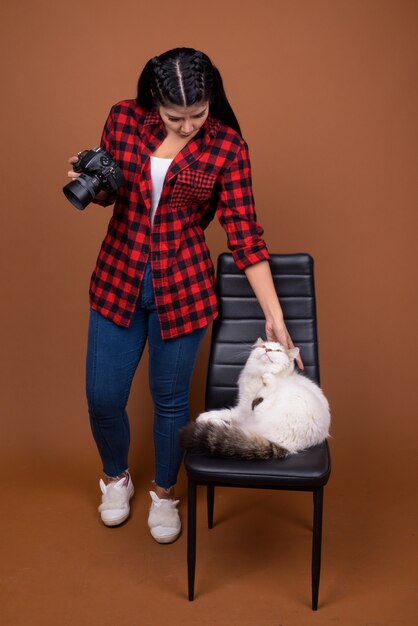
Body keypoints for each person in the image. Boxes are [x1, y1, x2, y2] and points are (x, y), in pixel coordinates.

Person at [67, 47, 304, 544]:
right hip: (118, 279)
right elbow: (114, 193)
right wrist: (93, 184)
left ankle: (165, 493)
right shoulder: (123, 120)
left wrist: (275, 317)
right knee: (103, 396)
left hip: (185, 289)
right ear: (154, 103)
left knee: (170, 400)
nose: (189, 124)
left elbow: (244, 235)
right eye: (176, 116)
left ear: (210, 99)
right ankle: (115, 478)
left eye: (198, 113)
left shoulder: (229, 149)